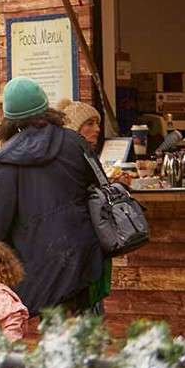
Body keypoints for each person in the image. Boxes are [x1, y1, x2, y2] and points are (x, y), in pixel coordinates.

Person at [0, 77, 103, 316]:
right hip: (83, 258)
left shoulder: (4, 160)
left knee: (46, 340)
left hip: (34, 266)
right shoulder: (75, 143)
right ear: (47, 107)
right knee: (83, 337)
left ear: (8, 118)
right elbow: (100, 187)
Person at [57, 98, 117, 313]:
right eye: (89, 124)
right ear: (74, 129)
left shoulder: (80, 153)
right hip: (80, 242)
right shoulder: (80, 155)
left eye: (97, 123)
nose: (97, 129)